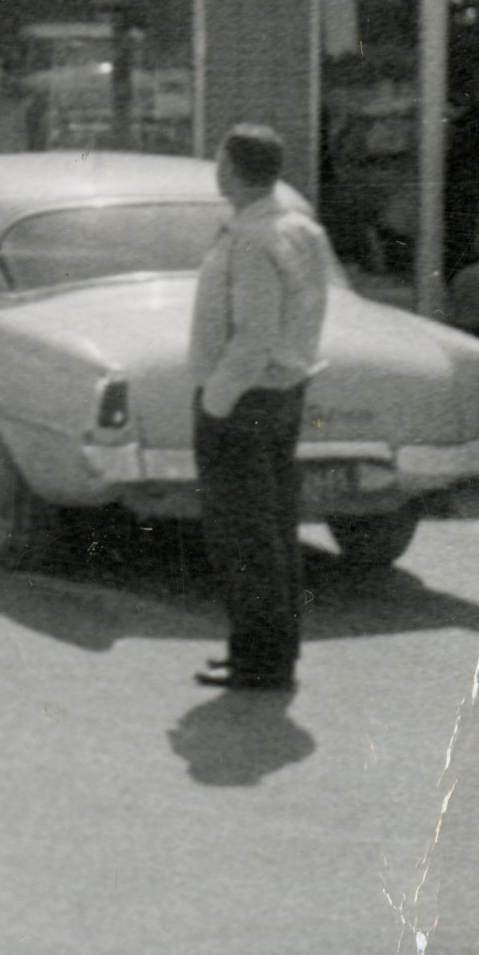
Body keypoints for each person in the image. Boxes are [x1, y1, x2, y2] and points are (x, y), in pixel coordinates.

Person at [189, 124, 332, 691]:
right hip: (283, 392)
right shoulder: (299, 229)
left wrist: (216, 402)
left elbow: (252, 336)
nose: (216, 170)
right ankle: (269, 652)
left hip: (243, 400)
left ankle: (259, 661)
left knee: (243, 535)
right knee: (272, 528)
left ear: (232, 169)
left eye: (220, 160)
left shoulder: (252, 239)